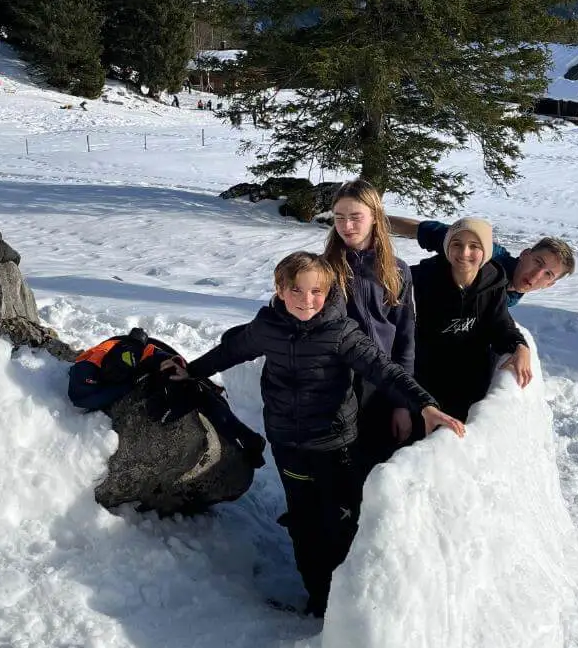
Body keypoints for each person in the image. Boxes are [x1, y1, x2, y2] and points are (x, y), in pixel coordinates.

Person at [165, 252, 462, 616]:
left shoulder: (340, 332)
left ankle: (350, 607)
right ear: (279, 289)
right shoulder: (267, 327)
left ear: (330, 290)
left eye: (317, 291)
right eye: (297, 290)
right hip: (288, 443)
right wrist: (191, 371)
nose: (307, 300)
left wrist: (424, 404)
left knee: (340, 520)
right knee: (304, 523)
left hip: (334, 446)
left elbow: (384, 369)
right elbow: (230, 351)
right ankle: (318, 599)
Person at [321, 180, 417, 469]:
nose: (347, 226)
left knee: (376, 466)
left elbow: (405, 339)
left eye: (355, 217)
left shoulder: (397, 270)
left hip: (381, 385)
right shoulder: (323, 269)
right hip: (337, 386)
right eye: (339, 218)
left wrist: (402, 402)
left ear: (375, 216)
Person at [410, 217, 532, 424]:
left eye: (474, 246)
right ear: (447, 247)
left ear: (485, 252)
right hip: (424, 378)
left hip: (471, 383)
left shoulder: (493, 285)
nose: (464, 253)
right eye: (457, 244)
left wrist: (521, 347)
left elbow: (501, 326)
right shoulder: (420, 278)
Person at [386, 214, 574, 308]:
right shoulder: (488, 253)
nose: (536, 274)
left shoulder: (510, 299)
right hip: (386, 286)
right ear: (525, 254)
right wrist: (372, 221)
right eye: (538, 262)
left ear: (550, 284)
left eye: (548, 274)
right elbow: (425, 230)